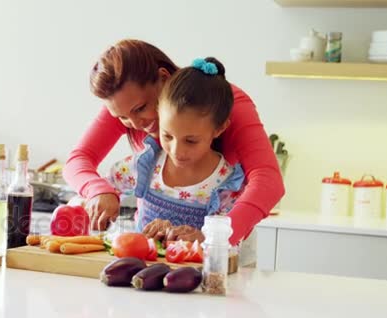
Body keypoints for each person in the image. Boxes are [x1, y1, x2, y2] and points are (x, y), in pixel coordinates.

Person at [63, 39, 285, 245]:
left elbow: (268, 180)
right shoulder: (127, 104)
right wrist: (98, 190)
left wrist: (213, 239)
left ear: (163, 78)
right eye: (121, 117)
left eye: (141, 109)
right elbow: (78, 160)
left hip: (219, 248)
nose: (135, 123)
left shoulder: (222, 104)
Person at [106, 57, 244, 243]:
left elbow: (229, 246)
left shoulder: (227, 187)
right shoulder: (146, 164)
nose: (177, 151)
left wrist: (203, 239)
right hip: (139, 271)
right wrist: (102, 197)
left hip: (195, 272)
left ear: (219, 129)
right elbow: (106, 186)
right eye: (167, 136)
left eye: (191, 141)